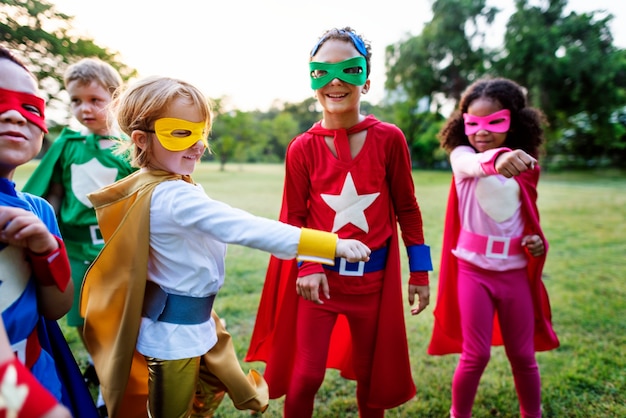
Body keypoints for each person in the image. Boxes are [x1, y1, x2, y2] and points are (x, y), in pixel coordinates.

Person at [78, 75, 371, 418]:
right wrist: (328, 244)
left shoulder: (160, 183)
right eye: (180, 133)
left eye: (200, 131)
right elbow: (244, 227)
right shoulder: (173, 195)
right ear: (142, 139)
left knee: (209, 390)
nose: (199, 144)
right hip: (173, 337)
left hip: (197, 325)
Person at [246, 27, 433, 417]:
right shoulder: (302, 148)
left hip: (373, 285)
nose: (335, 81)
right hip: (320, 284)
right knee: (306, 375)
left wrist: (419, 271)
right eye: (322, 71)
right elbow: (293, 217)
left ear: (366, 80)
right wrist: (311, 264)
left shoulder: (389, 139)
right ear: (312, 79)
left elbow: (408, 209)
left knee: (372, 376)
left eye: (348, 70)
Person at [427, 77, 560, 418]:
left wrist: (535, 242)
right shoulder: (462, 156)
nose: (481, 132)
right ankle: (460, 414)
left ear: (514, 121)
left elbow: (527, 218)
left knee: (522, 354)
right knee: (476, 354)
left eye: (494, 122)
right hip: (473, 272)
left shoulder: (527, 167)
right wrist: (497, 158)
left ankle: (532, 413)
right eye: (473, 123)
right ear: (462, 124)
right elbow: (470, 165)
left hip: (514, 272)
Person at [0, 45, 97, 417]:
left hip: (39, 375)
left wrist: (46, 251)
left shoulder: (37, 210)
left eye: (28, 107)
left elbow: (55, 307)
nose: (13, 115)